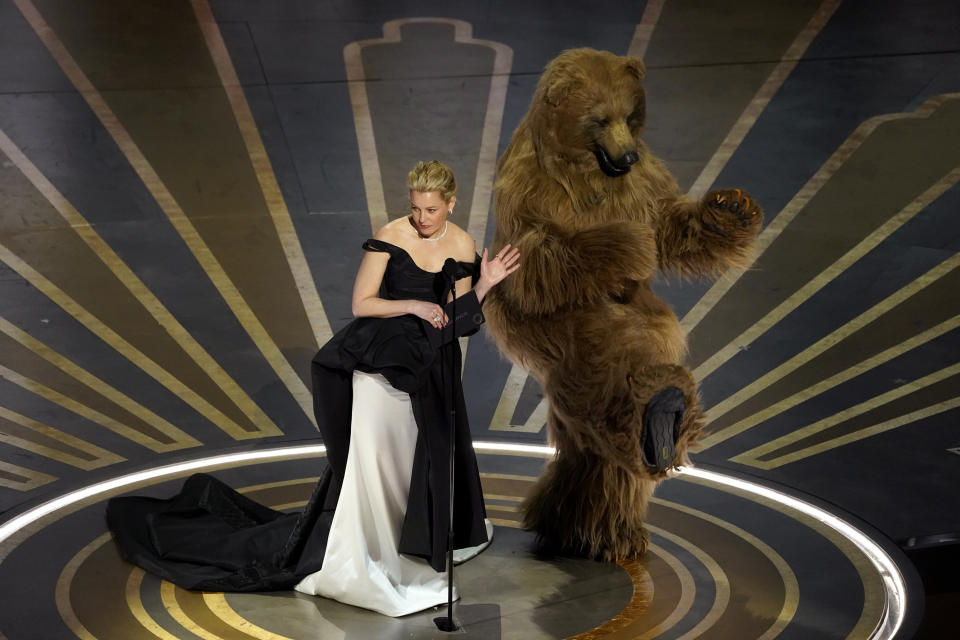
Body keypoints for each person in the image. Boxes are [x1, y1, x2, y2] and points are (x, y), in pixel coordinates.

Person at [105, 160, 520, 617]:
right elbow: (362, 304)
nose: (422, 219)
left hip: (431, 364)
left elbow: (459, 323)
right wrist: (417, 306)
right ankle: (369, 548)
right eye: (416, 208)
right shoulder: (391, 234)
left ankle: (414, 540)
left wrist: (484, 284)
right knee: (376, 460)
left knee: (423, 461)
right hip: (382, 356)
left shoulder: (461, 243)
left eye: (432, 210)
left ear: (452, 205)